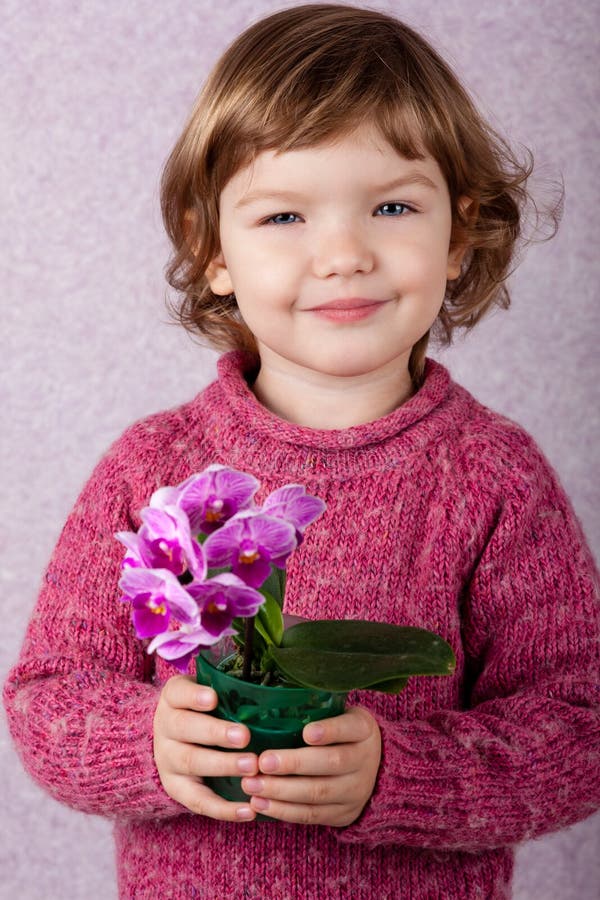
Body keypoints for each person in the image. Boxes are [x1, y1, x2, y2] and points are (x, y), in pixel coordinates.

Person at [4, 4, 599, 898]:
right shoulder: (152, 469)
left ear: (459, 234)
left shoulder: (495, 478)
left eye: (392, 206)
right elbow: (48, 698)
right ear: (214, 253)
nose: (343, 254)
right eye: (284, 215)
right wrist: (148, 745)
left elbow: (581, 727)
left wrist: (403, 773)